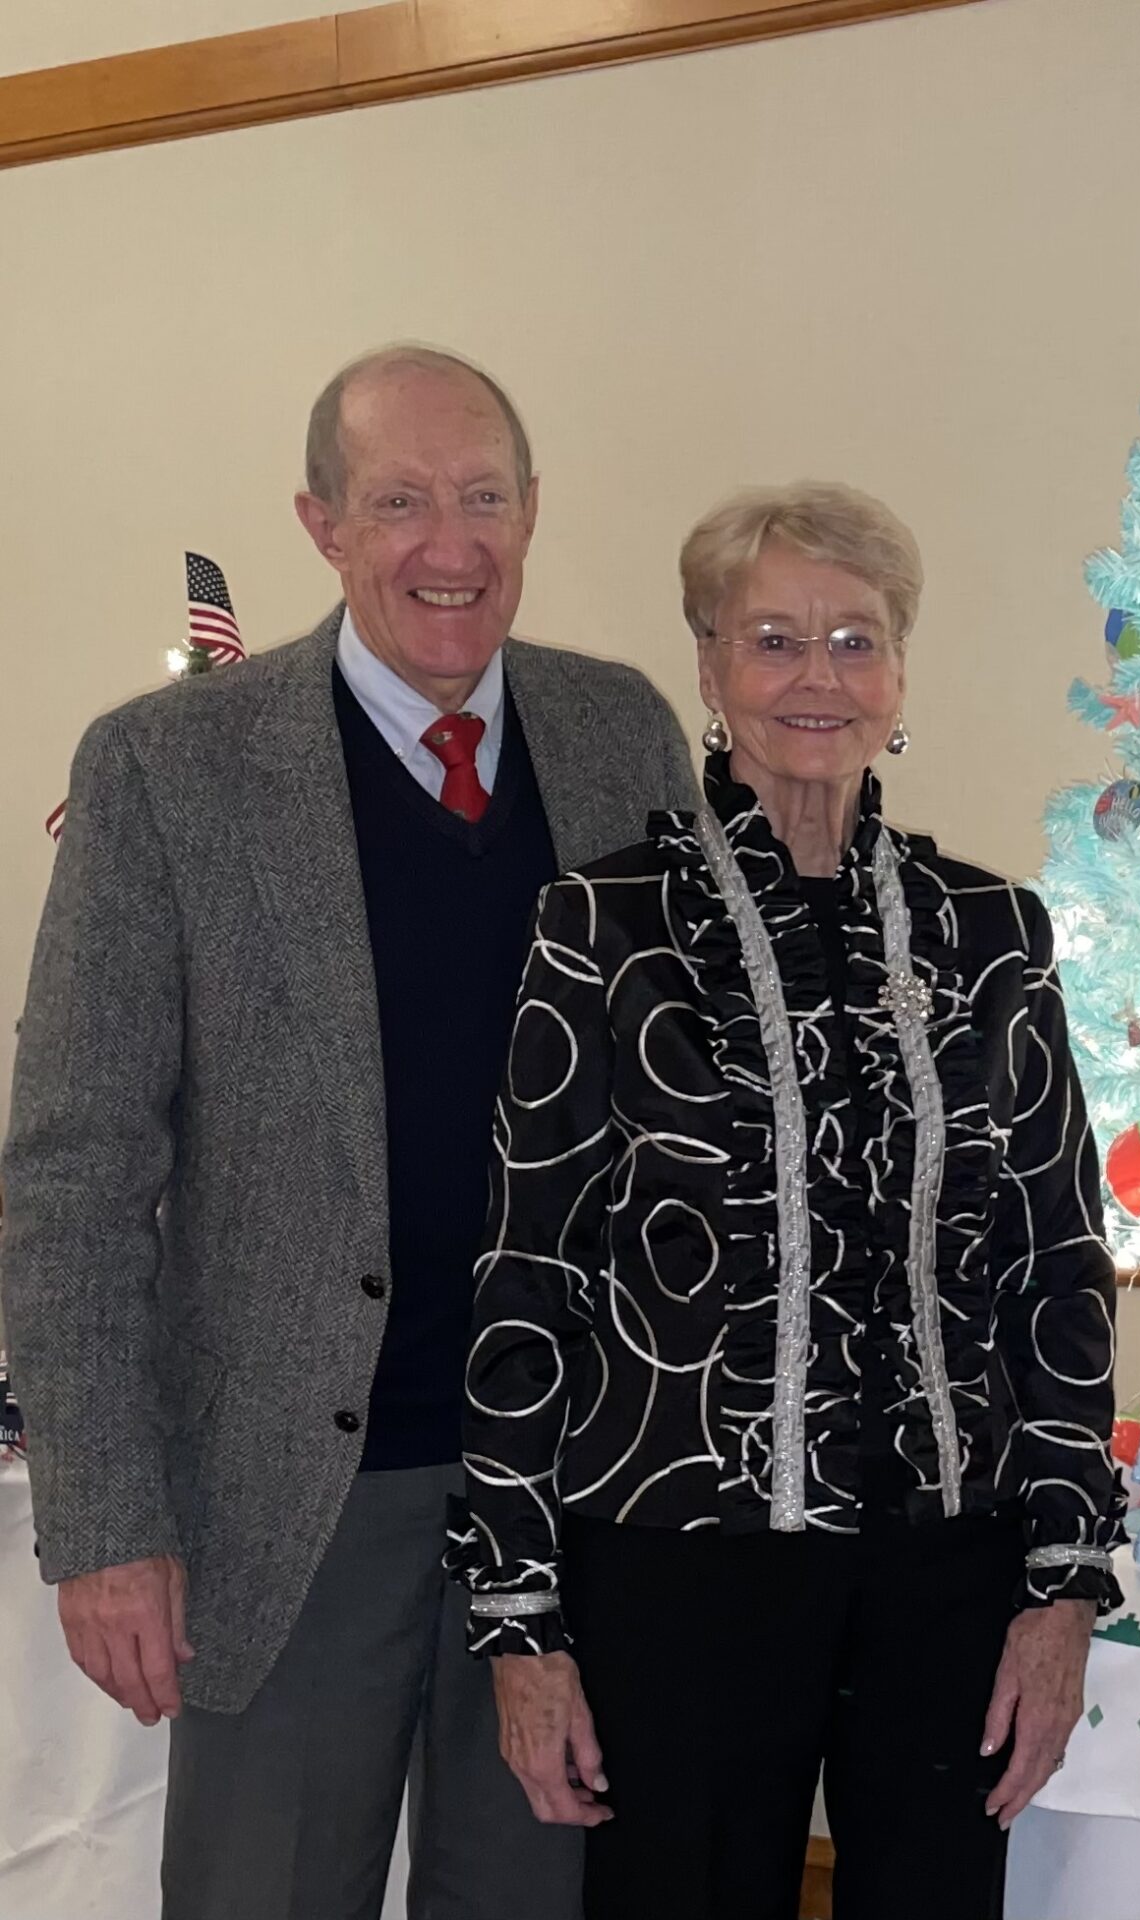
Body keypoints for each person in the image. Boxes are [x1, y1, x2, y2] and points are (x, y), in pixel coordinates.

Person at [0, 345, 697, 1918]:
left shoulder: (622, 734)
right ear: (321, 522)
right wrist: (102, 1523)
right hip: (289, 1509)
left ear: (533, 512)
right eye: (399, 502)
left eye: (483, 498)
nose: (449, 547)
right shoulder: (168, 768)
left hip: (568, 1497)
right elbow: (74, 1171)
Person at [446, 481, 1124, 1920]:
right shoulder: (603, 925)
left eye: (854, 639)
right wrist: (521, 1621)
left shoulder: (995, 933)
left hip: (949, 1564)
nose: (817, 675)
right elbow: (527, 1273)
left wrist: (1061, 1588)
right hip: (674, 1563)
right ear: (709, 668)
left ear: (898, 674)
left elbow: (1058, 1262)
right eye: (773, 639)